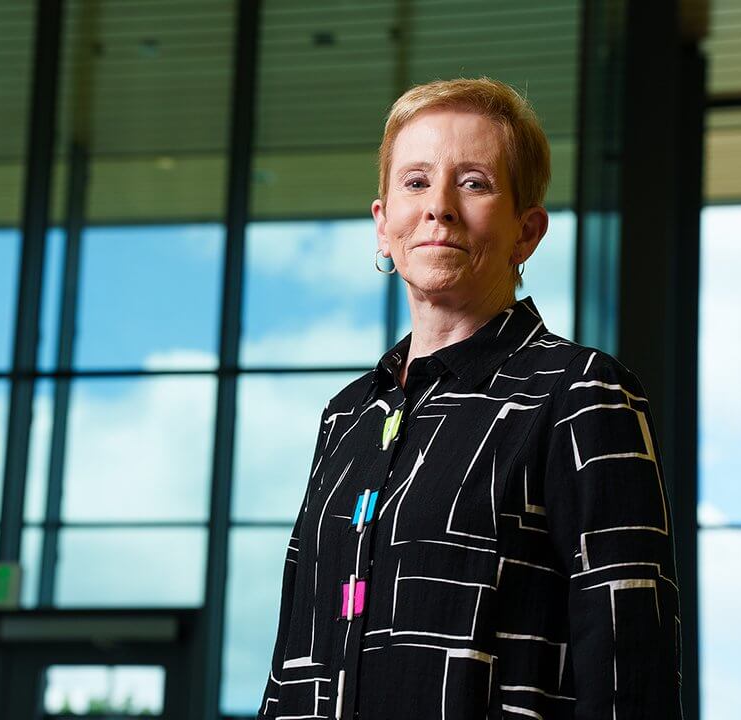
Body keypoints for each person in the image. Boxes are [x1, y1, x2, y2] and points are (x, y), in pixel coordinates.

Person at [257, 78, 682, 720]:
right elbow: (295, 651)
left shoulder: (579, 393)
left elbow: (631, 666)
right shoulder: (349, 417)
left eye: (475, 182)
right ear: (383, 224)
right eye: (416, 181)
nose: (439, 208)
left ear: (526, 231)